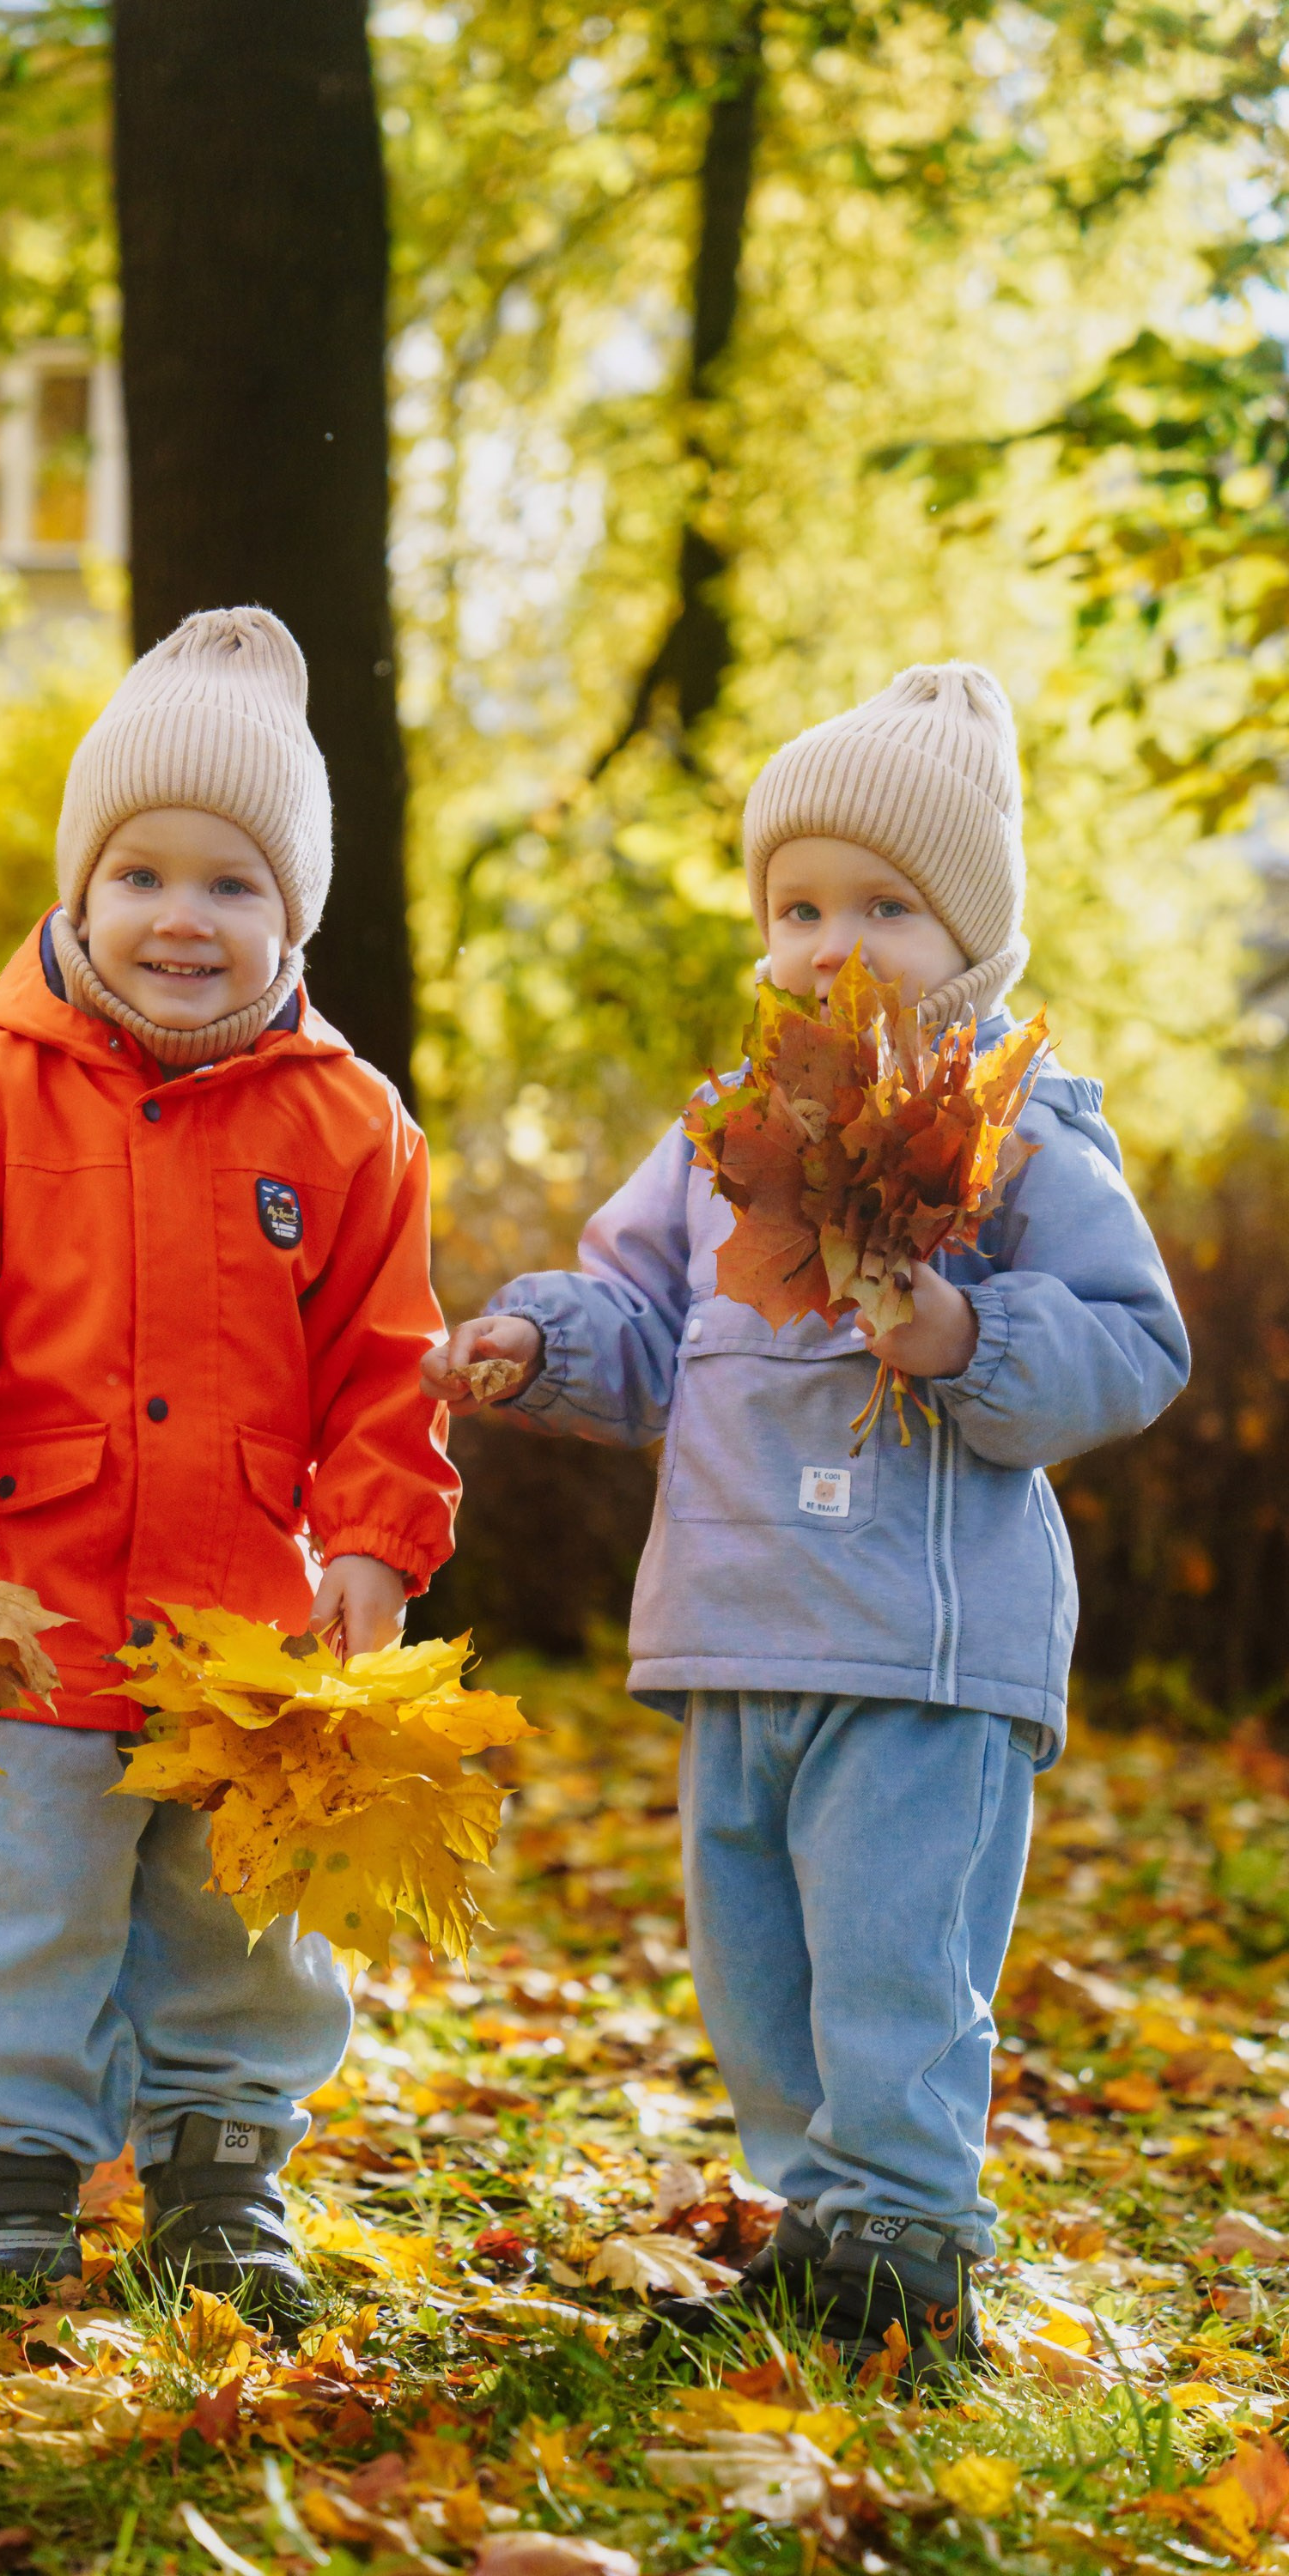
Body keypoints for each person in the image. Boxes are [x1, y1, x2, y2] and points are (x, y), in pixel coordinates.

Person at [423, 663, 1189, 2380]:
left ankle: (909, 2257)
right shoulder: (728, 1137)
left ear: (971, 938)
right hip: (735, 1623)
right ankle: (820, 2228)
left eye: (887, 908)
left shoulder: (1023, 1133)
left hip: (921, 1647)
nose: (835, 943)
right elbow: (633, 1314)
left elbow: (1134, 1344)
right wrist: (535, 1342)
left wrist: (965, 1332)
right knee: (759, 1977)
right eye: (800, 904)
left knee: (892, 1972)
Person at [0, 606, 459, 2323]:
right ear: (81, 893)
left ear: (295, 917)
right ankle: (13, 2180)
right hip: (17, 1612)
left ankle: (220, 2175)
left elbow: (385, 1362)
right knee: (14, 1908)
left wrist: (378, 1538)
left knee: (244, 1921)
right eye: (145, 874)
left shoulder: (350, 1128)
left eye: (233, 883)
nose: (184, 916)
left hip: (239, 1630)